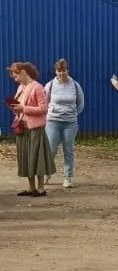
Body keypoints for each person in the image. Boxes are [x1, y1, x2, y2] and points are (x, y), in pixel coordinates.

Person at [7, 62, 56, 196]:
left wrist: (23, 108)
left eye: (16, 76)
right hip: (22, 128)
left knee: (37, 158)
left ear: (23, 72)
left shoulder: (38, 87)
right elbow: (20, 106)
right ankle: (31, 188)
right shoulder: (21, 87)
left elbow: (43, 109)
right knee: (26, 158)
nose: (16, 79)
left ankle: (41, 189)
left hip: (35, 128)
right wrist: (15, 108)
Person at [44, 58, 85, 189]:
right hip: (53, 121)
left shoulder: (75, 85)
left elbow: (80, 104)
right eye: (59, 71)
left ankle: (68, 177)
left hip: (70, 123)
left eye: (64, 70)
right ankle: (47, 173)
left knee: (68, 150)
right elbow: (44, 103)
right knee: (51, 149)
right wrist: (51, 113)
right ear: (55, 71)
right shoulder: (50, 85)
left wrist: (72, 113)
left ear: (68, 70)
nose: (61, 73)